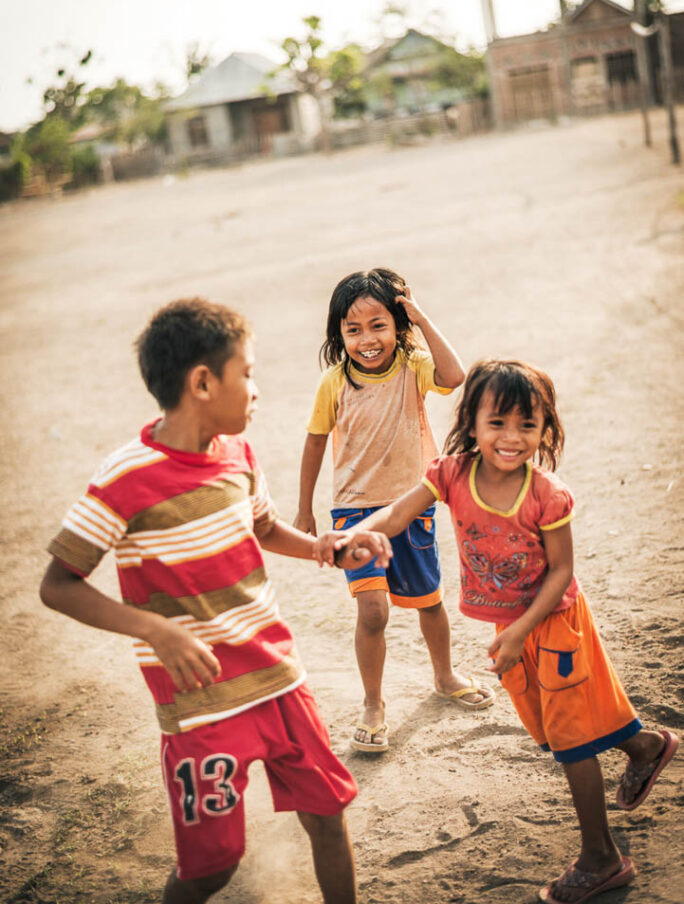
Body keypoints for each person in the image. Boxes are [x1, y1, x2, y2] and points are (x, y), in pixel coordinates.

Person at [40, 297, 392, 904]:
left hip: (278, 676)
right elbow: (58, 583)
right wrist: (156, 630)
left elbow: (261, 529)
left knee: (327, 818)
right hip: (201, 705)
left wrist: (328, 549)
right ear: (202, 382)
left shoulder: (238, 455)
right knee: (211, 867)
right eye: (247, 373)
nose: (256, 389)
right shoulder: (126, 478)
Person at [321, 359, 678, 904]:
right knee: (562, 718)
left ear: (545, 429)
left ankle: (601, 859)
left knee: (570, 739)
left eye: (527, 426)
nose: (512, 438)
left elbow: (562, 572)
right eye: (497, 423)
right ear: (472, 421)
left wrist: (519, 632)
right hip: (511, 626)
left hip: (554, 621)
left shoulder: (547, 494)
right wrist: (350, 534)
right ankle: (646, 746)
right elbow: (395, 514)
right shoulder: (450, 473)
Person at [294, 268, 494, 755]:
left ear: (399, 324)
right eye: (353, 329)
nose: (367, 339)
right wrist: (304, 510)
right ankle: (373, 703)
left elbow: (454, 376)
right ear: (338, 334)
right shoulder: (334, 381)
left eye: (378, 325)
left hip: (411, 506)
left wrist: (420, 319)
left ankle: (444, 676)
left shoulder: (413, 364)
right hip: (354, 514)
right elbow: (315, 441)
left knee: (429, 602)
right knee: (373, 611)